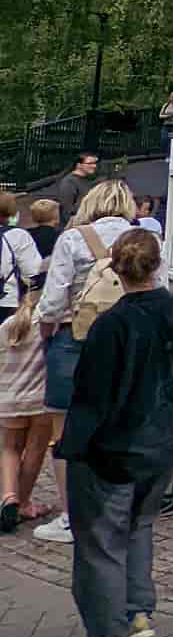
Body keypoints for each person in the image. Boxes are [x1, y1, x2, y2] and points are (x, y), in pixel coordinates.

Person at [52, 229, 173, 637]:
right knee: (139, 525)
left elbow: (91, 398)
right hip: (166, 439)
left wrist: (72, 448)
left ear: (115, 268)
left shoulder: (111, 325)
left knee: (100, 545)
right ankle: (136, 612)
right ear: (157, 264)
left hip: (115, 447)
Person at [33, 180, 138, 545]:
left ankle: (72, 517)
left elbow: (51, 303)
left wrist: (45, 336)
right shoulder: (144, 240)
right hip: (126, 345)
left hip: (73, 340)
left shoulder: (73, 239)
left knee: (65, 435)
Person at [1, 193, 50, 532]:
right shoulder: (17, 236)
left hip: (8, 394)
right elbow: (33, 271)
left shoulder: (7, 329)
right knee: (34, 446)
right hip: (39, 398)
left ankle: (6, 496)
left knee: (8, 445)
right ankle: (24, 500)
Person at [52, 153, 98, 227]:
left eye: (95, 163)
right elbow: (66, 209)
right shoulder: (69, 182)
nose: (94, 166)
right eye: (90, 163)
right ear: (79, 165)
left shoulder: (87, 179)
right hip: (74, 226)